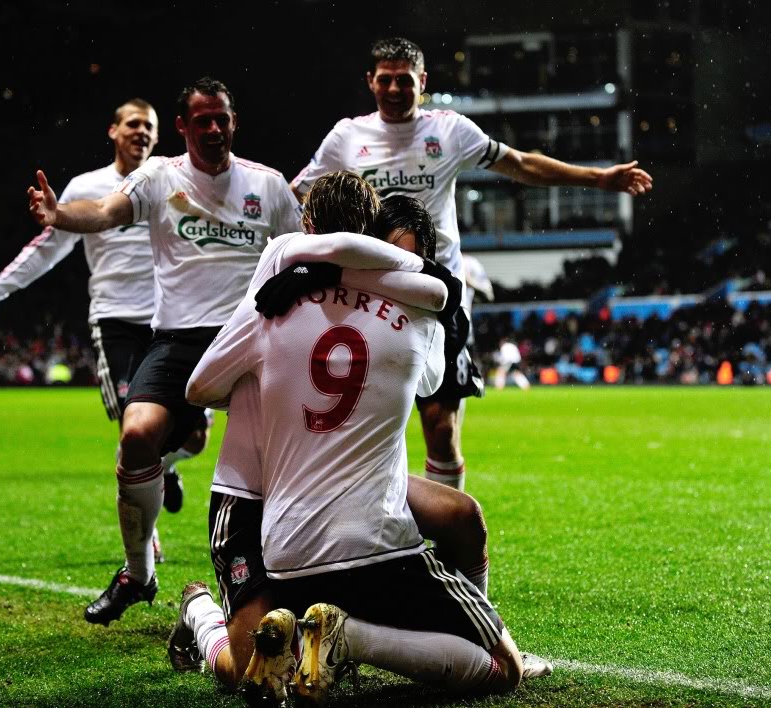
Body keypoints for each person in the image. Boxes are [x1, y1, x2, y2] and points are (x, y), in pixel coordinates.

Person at [180, 175, 548, 704]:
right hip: (257, 490)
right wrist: (425, 285)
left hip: (299, 512)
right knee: (245, 668)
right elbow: (432, 347)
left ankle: (446, 622)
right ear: (369, 235)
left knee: (461, 515)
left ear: (309, 226)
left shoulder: (277, 287)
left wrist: (267, 377)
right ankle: (201, 614)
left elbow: (199, 387)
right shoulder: (415, 305)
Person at [292, 37, 653, 492]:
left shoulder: (450, 130)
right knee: (364, 429)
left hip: (438, 293)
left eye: (405, 80)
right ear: (370, 81)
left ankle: (448, 533)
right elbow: (300, 193)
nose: (395, 89)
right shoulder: (347, 137)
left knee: (440, 429)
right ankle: (369, 525)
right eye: (386, 79)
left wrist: (598, 178)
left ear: (422, 81)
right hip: (370, 296)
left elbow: (520, 164)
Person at [26, 77, 303, 626]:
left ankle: (292, 574)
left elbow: (303, 252)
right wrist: (59, 216)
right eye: (202, 120)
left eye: (222, 118)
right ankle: (138, 574)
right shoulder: (159, 176)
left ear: (234, 121)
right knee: (136, 435)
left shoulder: (268, 186)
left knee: (278, 462)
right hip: (178, 339)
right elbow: (105, 211)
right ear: (182, 127)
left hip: (249, 338)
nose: (214, 129)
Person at [0, 100, 198, 540]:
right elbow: (46, 249)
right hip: (115, 321)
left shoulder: (171, 182)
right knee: (133, 428)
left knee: (195, 438)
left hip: (171, 322)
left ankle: (163, 467)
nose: (141, 131)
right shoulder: (87, 187)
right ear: (113, 130)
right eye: (132, 123)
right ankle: (145, 537)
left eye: (149, 126)